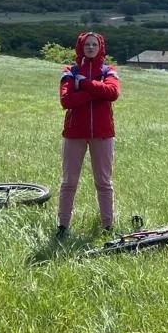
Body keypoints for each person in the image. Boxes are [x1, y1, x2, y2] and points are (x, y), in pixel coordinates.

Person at [57, 31, 120, 238]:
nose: (91, 48)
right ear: (81, 47)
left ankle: (108, 226)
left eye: (94, 45)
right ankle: (63, 226)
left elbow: (112, 93)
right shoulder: (70, 71)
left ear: (100, 47)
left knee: (103, 182)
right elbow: (66, 101)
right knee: (68, 182)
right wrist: (95, 91)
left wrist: (82, 84)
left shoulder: (108, 70)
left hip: (103, 134)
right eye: (87, 45)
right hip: (74, 133)